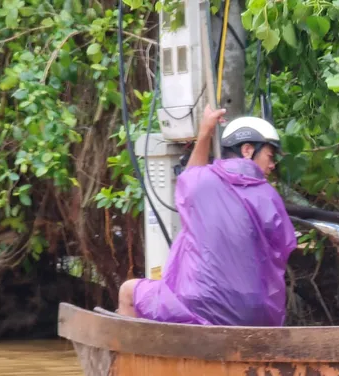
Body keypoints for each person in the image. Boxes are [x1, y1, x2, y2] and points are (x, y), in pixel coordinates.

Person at [117, 105, 298, 326]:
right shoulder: (269, 196)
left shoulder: (200, 181)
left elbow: (190, 175)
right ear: (248, 150)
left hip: (195, 305)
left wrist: (205, 132)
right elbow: (284, 246)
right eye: (270, 156)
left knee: (128, 292)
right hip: (254, 312)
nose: (272, 164)